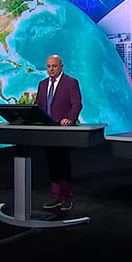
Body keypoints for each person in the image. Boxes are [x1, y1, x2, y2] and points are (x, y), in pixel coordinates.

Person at [35, 54, 82, 211]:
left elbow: (76, 104)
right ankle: (56, 196)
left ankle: (67, 196)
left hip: (62, 130)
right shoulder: (42, 84)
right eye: (48, 66)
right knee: (51, 163)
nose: (51, 69)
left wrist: (69, 118)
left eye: (54, 66)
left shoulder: (70, 82)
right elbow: (38, 105)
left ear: (61, 66)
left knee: (63, 162)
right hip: (47, 130)